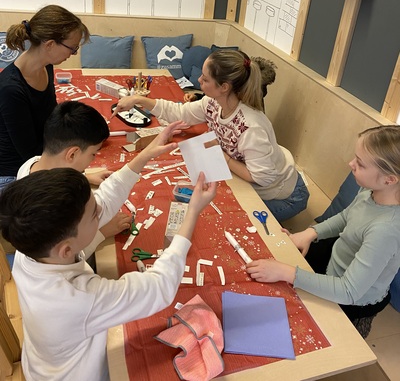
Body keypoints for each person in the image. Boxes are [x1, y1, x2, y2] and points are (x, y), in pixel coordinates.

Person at [0, 121, 217, 380]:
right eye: (94, 215)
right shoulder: (81, 297)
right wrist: (192, 212)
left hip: (43, 363)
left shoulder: (32, 248)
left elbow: (104, 199)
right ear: (66, 248)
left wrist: (145, 155)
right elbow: (160, 287)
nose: (102, 210)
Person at [113, 49, 308, 222]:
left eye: (205, 79)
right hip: (250, 175)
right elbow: (180, 113)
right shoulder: (213, 102)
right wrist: (138, 100)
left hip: (283, 196)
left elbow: (262, 178)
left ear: (224, 87)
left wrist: (222, 156)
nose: (199, 80)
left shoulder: (251, 127)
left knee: (216, 216)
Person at [246, 125, 400, 338]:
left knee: (317, 333)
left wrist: (286, 272)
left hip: (353, 300)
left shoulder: (386, 230)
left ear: (389, 179)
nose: (351, 164)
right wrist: (311, 233)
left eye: (360, 163)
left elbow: (348, 291)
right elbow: (347, 217)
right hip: (336, 262)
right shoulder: (370, 190)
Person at [17, 101, 129, 252]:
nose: (93, 160)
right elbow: (69, 254)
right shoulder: (55, 205)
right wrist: (103, 232)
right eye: (93, 154)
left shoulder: (32, 163)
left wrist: (86, 176)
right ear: (72, 154)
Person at [0, 5, 90, 191]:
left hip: (42, 156)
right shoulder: (11, 89)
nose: (73, 54)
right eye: (72, 48)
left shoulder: (46, 66)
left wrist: (81, 130)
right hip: (15, 174)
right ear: (49, 45)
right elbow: (30, 154)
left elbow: (51, 115)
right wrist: (80, 176)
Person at [183, 55, 277, 112]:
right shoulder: (233, 93)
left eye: (206, 79)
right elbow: (216, 98)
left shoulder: (250, 111)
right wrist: (197, 97)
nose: (200, 79)